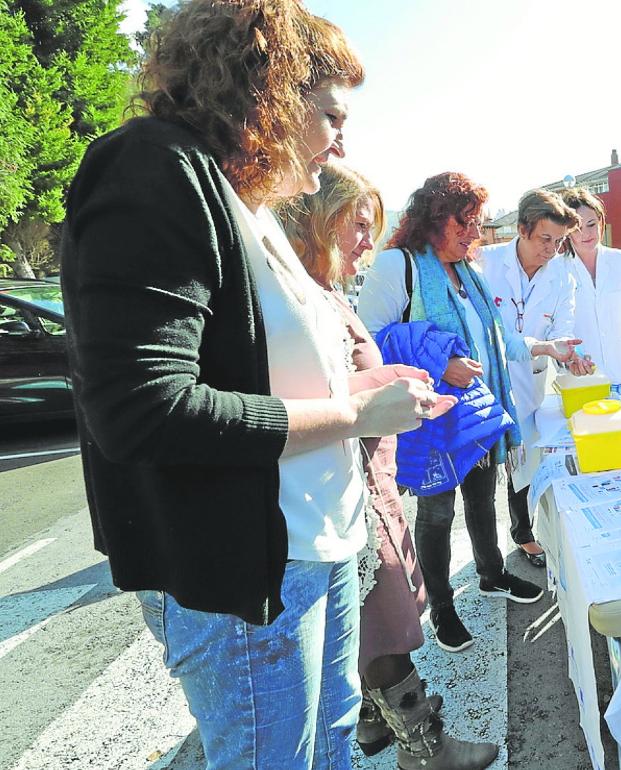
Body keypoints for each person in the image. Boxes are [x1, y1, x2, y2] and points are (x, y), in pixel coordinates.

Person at [59, 3, 448, 767]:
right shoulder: (154, 168)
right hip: (248, 576)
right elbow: (145, 409)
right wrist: (355, 410)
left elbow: (258, 360)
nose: (343, 140)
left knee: (328, 749)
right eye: (331, 114)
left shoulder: (251, 203)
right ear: (264, 91)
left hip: (320, 551)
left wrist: (359, 377)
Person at [278, 164, 495, 770]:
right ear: (315, 222)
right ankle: (424, 749)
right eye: (356, 226)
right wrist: (400, 376)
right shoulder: (321, 295)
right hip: (335, 486)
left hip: (364, 477)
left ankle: (377, 724)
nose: (366, 242)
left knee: (375, 616)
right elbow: (320, 389)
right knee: (387, 617)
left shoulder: (326, 292)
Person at [357, 172, 570, 653]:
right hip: (434, 419)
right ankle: (443, 607)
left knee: (481, 500)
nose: (475, 234)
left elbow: (498, 338)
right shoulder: (399, 266)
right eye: (466, 223)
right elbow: (366, 343)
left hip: (477, 413)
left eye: (477, 224)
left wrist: (548, 347)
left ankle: (492, 574)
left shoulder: (468, 274)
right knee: (436, 513)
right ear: (435, 219)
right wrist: (440, 362)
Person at [477, 189, 584, 568]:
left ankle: (523, 532)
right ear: (522, 229)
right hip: (485, 381)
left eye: (559, 241)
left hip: (529, 382)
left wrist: (568, 353)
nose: (552, 249)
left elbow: (565, 324)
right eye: (545, 239)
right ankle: (489, 559)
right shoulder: (484, 264)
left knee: (523, 462)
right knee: (482, 476)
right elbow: (485, 331)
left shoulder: (562, 274)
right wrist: (545, 346)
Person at [559, 187, 621, 385]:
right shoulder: (558, 269)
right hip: (582, 369)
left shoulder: (620, 261)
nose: (586, 234)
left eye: (591, 224)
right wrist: (570, 357)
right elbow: (556, 326)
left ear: (601, 222)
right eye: (577, 228)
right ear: (567, 232)